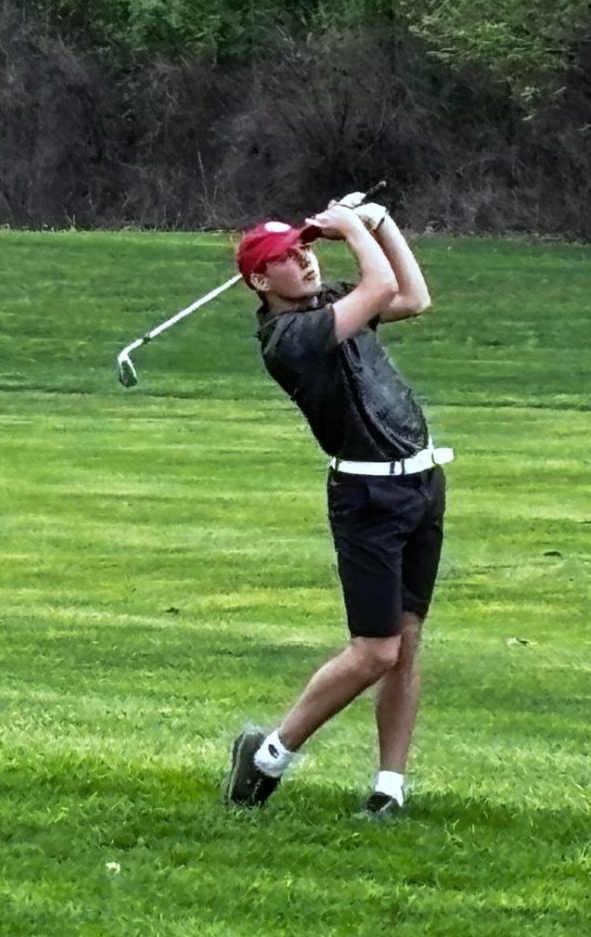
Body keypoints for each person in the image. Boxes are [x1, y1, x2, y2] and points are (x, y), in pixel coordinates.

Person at [224, 193, 452, 817]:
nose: (304, 261)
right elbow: (379, 287)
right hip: (367, 495)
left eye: (303, 248)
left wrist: (382, 223)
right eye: (286, 258)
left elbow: (411, 296)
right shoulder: (288, 337)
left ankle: (388, 790)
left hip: (421, 482)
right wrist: (352, 227)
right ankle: (268, 754)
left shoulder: (326, 302)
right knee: (374, 649)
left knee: (405, 643)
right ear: (259, 280)